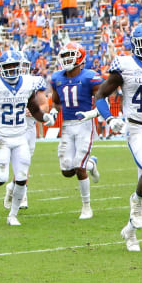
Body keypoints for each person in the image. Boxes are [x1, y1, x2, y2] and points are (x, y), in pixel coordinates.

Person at [80, 23, 142, 251]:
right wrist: (109, 118)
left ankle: (131, 232)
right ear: (135, 45)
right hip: (137, 129)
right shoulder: (124, 65)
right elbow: (100, 95)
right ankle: (135, 200)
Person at [0, 50, 55, 226]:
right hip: (2, 138)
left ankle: (12, 215)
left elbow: (35, 109)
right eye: (8, 67)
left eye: (15, 66)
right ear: (1, 68)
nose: (12, 70)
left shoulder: (28, 83)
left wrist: (45, 117)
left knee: (21, 178)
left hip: (20, 137)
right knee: (1, 178)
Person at [49, 42, 103, 219]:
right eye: (64, 56)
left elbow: (103, 101)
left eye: (69, 56)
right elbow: (57, 102)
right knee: (66, 170)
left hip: (84, 125)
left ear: (80, 58)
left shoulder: (90, 77)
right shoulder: (57, 77)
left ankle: (86, 206)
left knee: (79, 167)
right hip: (67, 125)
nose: (66, 60)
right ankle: (91, 164)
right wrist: (53, 112)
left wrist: (91, 114)